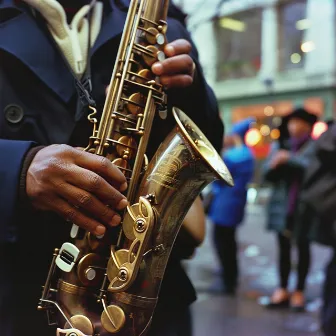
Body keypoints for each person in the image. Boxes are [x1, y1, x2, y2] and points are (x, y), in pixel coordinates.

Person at [0, 1, 223, 335]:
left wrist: (186, 94)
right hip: (16, 295)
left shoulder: (161, 25)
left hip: (143, 299)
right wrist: (17, 168)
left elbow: (208, 138)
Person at [263, 107, 317, 312]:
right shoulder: (279, 146)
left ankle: (299, 291)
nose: (294, 127)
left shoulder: (314, 147)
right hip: (282, 208)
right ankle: (283, 288)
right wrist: (276, 164)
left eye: (299, 123)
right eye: (292, 123)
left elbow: (313, 169)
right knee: (283, 250)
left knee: (303, 249)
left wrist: (289, 160)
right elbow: (267, 173)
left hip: (304, 208)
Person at [208, 118, 255, 295]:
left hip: (227, 205)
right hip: (228, 203)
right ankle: (228, 277)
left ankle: (229, 280)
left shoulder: (239, 154)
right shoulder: (243, 153)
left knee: (224, 243)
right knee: (226, 242)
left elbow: (220, 164)